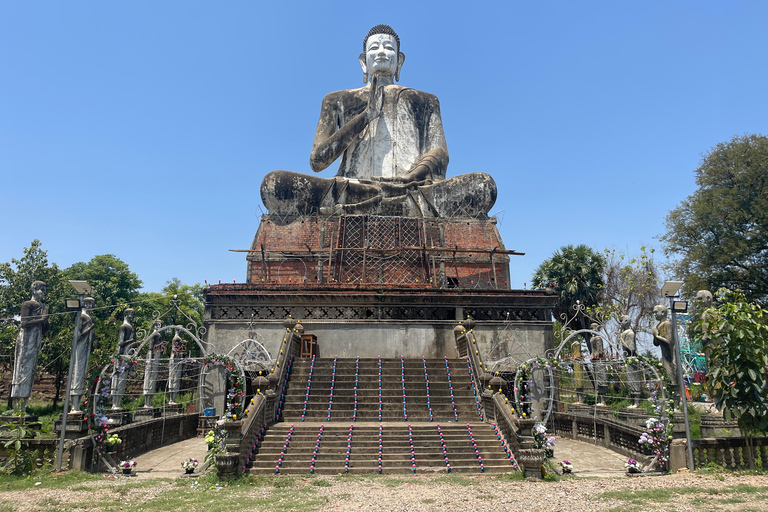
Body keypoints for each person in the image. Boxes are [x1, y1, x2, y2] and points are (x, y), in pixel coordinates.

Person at [260, 24, 496, 218]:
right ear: (364, 61)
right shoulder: (337, 100)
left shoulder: (425, 100)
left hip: (411, 190)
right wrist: (366, 116)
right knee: (274, 184)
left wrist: (414, 176)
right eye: (375, 48)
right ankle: (395, 207)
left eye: (388, 48)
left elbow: (440, 154)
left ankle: (391, 204)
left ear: (399, 61)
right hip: (352, 189)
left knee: (483, 185)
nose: (382, 52)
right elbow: (317, 161)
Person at [11, 281, 48, 411]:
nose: (43, 292)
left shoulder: (42, 305)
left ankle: (24, 406)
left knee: (31, 370)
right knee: (22, 368)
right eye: (41, 289)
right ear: (34, 289)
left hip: (36, 339)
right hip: (26, 339)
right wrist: (42, 318)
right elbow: (24, 323)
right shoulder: (28, 304)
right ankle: (17, 408)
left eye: (45, 290)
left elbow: (45, 328)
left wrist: (46, 318)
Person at [70, 297, 95, 412]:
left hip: (86, 348)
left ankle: (78, 405)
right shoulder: (82, 316)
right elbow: (78, 334)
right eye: (89, 303)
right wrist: (89, 328)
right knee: (77, 373)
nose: (91, 306)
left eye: (92, 304)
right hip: (80, 348)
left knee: (82, 374)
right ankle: (74, 406)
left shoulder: (89, 317)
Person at [653, 304, 680, 408]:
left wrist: (657, 336)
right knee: (668, 381)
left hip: (671, 356)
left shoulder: (667, 324)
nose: (654, 314)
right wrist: (655, 336)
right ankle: (670, 404)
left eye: (656, 312)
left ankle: (676, 406)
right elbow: (656, 343)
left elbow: (669, 341)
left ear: (663, 312)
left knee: (673, 380)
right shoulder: (658, 326)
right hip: (664, 356)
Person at [111, 308, 135, 409]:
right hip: (121, 354)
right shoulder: (123, 327)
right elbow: (120, 342)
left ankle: (118, 403)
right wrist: (131, 340)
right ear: (126, 314)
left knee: (122, 380)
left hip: (127, 354)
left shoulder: (131, 327)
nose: (132, 316)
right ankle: (115, 404)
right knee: (118, 379)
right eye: (131, 314)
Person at [142, 320, 164, 408]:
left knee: (153, 379)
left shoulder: (159, 335)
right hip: (152, 357)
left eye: (161, 325)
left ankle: (149, 402)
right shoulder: (154, 335)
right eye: (158, 325)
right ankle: (146, 403)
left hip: (156, 357)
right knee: (149, 378)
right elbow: (151, 348)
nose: (160, 326)